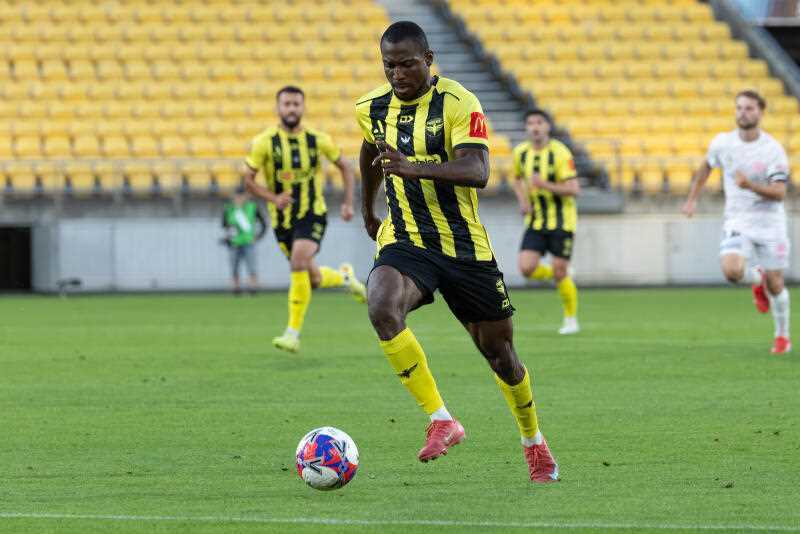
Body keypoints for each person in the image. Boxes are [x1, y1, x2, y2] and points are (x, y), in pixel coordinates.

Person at [355, 21, 559, 482]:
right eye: (389, 65)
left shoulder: (459, 102)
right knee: (381, 303)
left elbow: (478, 169)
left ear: (428, 60)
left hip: (464, 248)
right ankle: (441, 419)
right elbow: (369, 152)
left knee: (501, 356)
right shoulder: (370, 108)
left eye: (407, 64)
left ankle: (534, 442)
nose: (397, 74)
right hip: (407, 240)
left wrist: (413, 167)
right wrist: (368, 209)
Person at [244, 85, 367, 354]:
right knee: (312, 278)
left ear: (303, 107)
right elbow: (248, 180)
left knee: (298, 261)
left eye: (296, 104)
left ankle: (292, 334)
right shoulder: (265, 142)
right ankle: (346, 279)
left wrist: (348, 203)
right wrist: (273, 198)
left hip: (312, 213)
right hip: (282, 221)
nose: (291, 109)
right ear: (278, 108)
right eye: (286, 104)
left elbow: (346, 167)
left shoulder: (317, 139)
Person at [682, 90, 791, 354]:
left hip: (770, 222)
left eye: (749, 108)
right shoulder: (723, 143)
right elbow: (706, 166)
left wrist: (750, 185)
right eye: (739, 108)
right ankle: (757, 277)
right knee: (731, 272)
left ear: (761, 112)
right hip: (738, 218)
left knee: (776, 284)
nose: (743, 113)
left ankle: (782, 336)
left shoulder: (772, 150)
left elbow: (779, 193)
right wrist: (691, 199)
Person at [512, 109, 581, 335]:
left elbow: (574, 189)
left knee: (560, 271)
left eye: (539, 122)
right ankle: (560, 273)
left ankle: (571, 319)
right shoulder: (521, 153)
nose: (535, 127)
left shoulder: (560, 153)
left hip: (562, 222)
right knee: (526, 268)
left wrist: (544, 185)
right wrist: (523, 201)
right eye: (530, 123)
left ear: (547, 127)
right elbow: (516, 179)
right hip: (535, 221)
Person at [221, 187, 267, 294]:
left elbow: (263, 224)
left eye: (241, 196)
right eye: (237, 196)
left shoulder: (252, 207)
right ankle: (236, 288)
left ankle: (253, 287)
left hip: (248, 241)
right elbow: (224, 224)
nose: (239, 199)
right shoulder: (229, 208)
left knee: (252, 266)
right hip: (234, 242)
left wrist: (258, 236)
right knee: (234, 267)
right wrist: (229, 234)